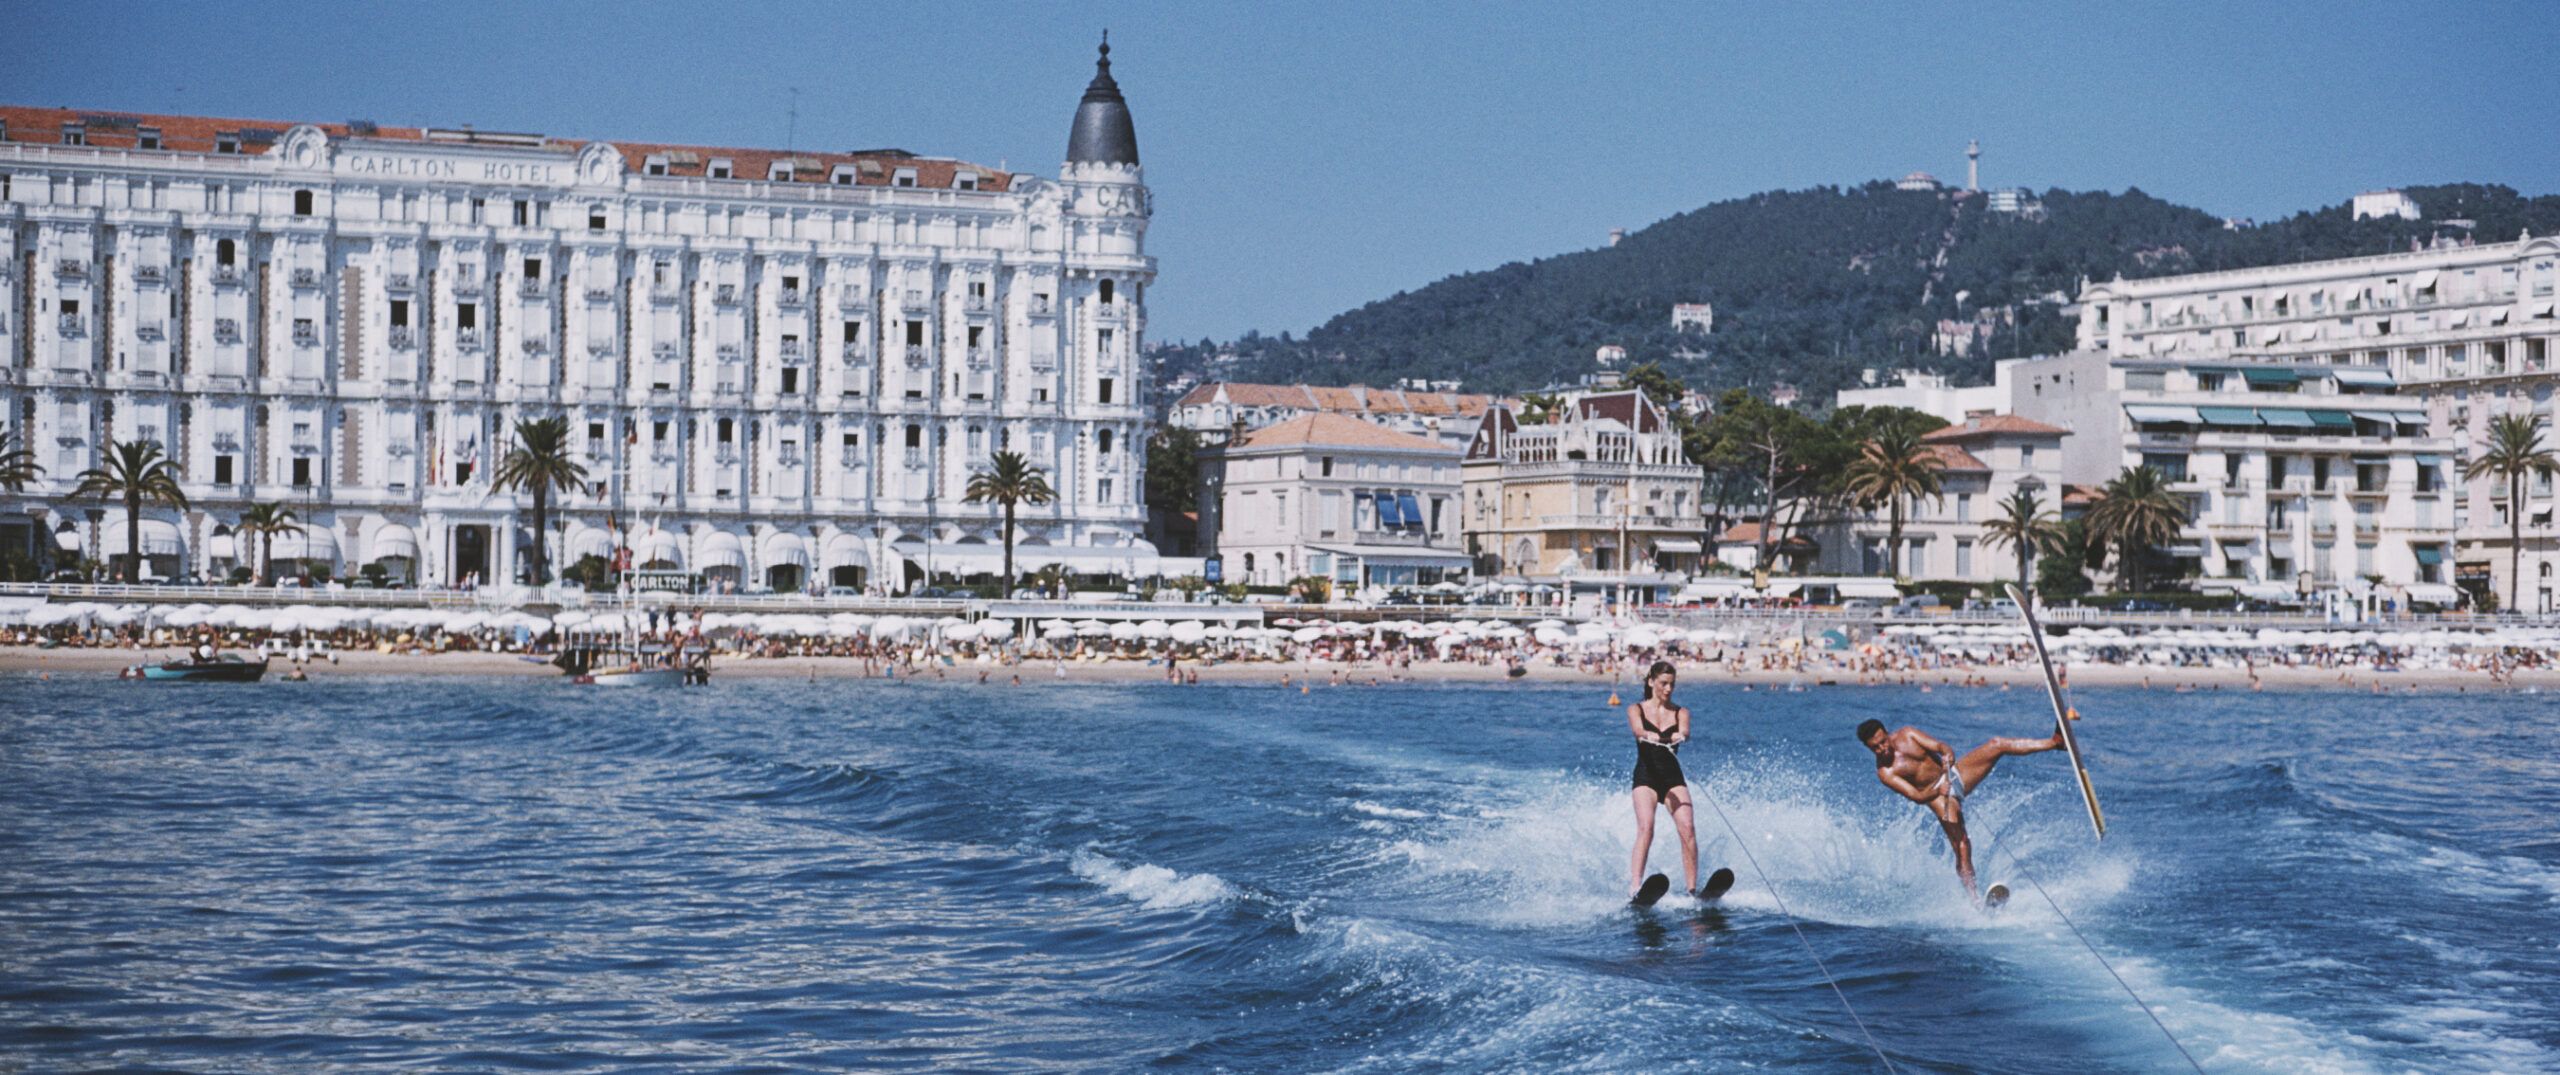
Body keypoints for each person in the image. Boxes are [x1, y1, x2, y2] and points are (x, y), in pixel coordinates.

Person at [1855, 718, 2061, 900]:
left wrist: (1947, 753)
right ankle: (1975, 901)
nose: (1882, 748)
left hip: (1954, 774)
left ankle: (2055, 743)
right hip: (1936, 796)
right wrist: (1938, 791)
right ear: (1868, 748)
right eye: (1875, 747)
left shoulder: (1907, 734)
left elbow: (1940, 745)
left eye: (1883, 741)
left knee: (1997, 745)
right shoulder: (1885, 772)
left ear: (1887, 733)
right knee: (1962, 845)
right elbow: (1917, 796)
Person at [1626, 660, 1701, 897]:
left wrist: (1681, 735)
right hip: (1646, 777)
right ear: (1651, 682)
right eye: (1663, 683)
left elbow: (1685, 732)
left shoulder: (1681, 712)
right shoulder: (1636, 709)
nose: (1668, 689)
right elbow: (1638, 730)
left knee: (1687, 828)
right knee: (1646, 827)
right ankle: (1636, 886)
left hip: (1672, 778)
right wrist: (1646, 733)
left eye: (1672, 684)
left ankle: (1692, 889)